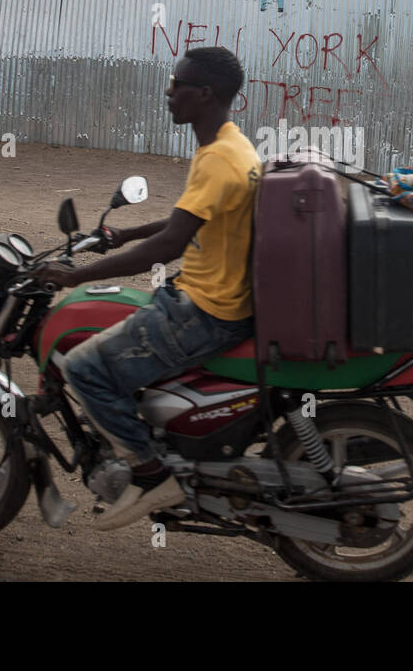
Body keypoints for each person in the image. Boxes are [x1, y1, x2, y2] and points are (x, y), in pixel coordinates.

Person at [34, 47, 260, 530]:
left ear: (204, 94)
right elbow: (190, 219)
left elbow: (171, 244)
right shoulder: (231, 144)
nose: (168, 92)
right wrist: (125, 234)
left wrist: (73, 277)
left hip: (206, 311)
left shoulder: (219, 157)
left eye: (177, 84)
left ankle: (151, 473)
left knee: (84, 366)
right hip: (213, 299)